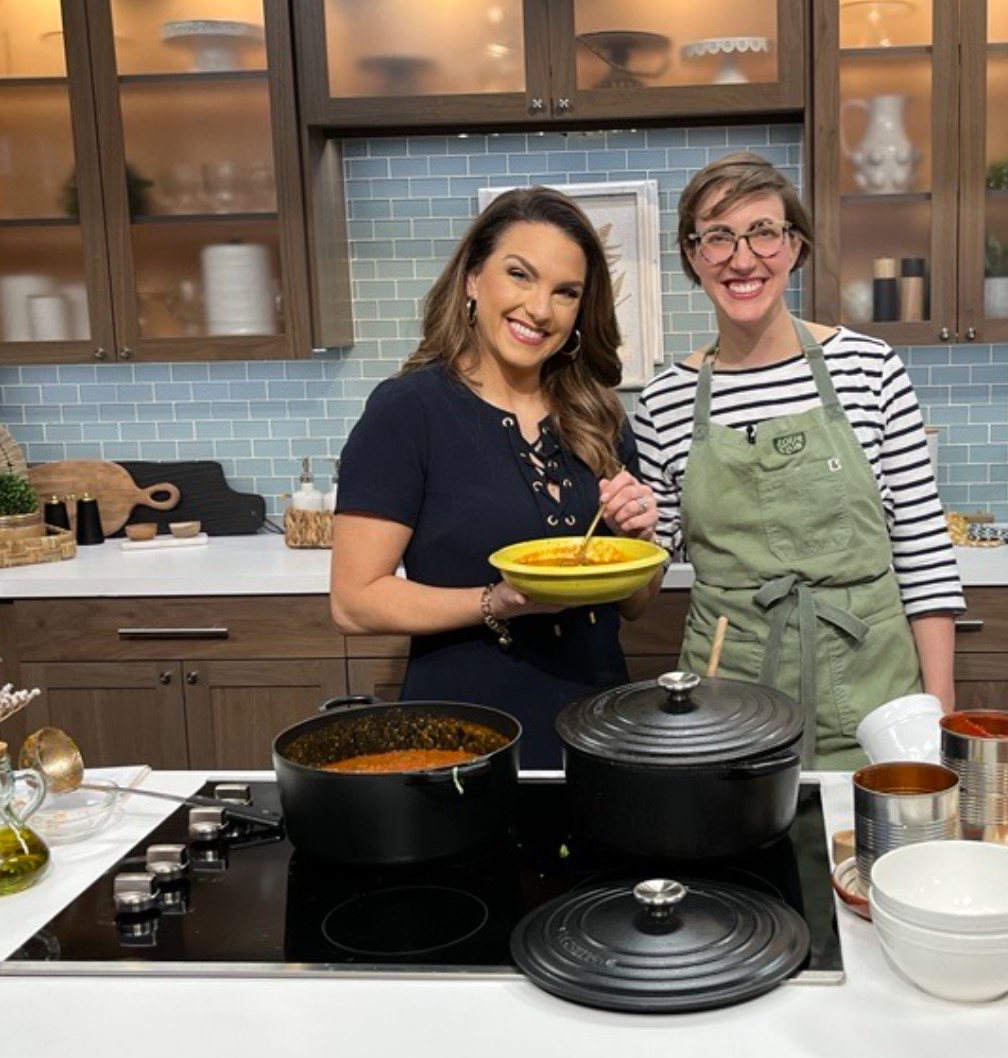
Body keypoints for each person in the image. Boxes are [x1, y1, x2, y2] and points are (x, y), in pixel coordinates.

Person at [633, 152, 965, 770]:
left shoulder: (870, 368)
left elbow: (922, 546)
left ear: (795, 246)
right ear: (692, 254)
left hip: (875, 693)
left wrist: (938, 708)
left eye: (763, 232)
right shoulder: (663, 402)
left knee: (871, 857)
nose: (742, 258)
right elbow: (651, 574)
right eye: (718, 237)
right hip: (726, 695)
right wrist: (634, 532)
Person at [330, 187, 659, 769]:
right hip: (465, 740)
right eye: (520, 275)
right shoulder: (409, 410)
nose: (540, 309)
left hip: (601, 732)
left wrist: (638, 539)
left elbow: (635, 605)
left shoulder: (596, 412)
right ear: (472, 279)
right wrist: (496, 601)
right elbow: (356, 603)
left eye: (566, 292)